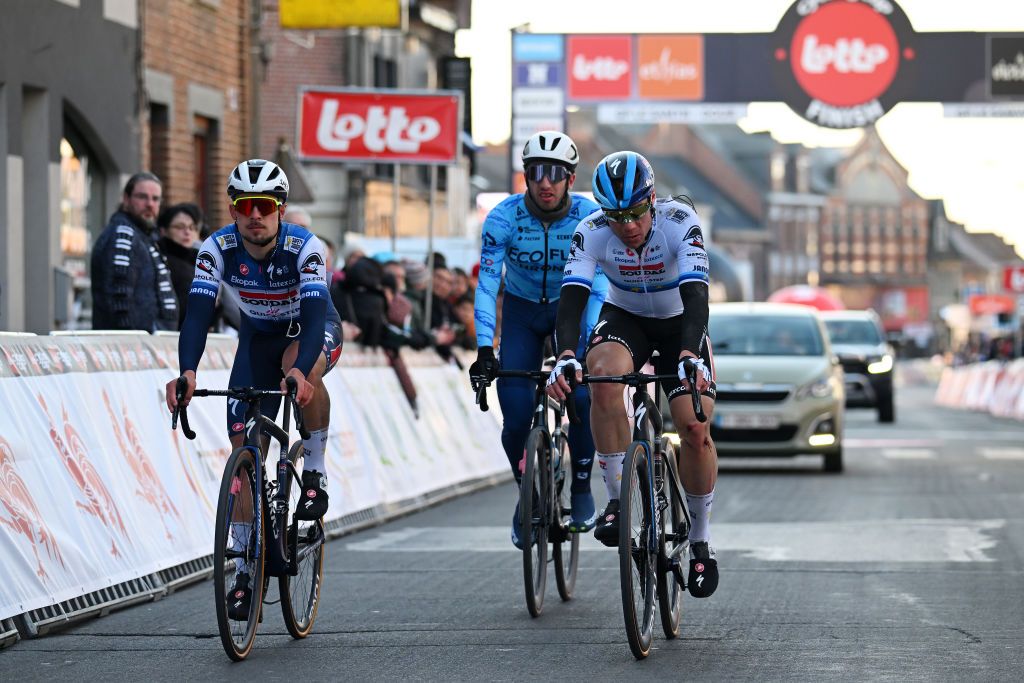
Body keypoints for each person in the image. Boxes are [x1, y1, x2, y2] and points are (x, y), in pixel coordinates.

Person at [163, 159, 343, 619]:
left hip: (308, 331)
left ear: (280, 208)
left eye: (265, 206)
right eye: (246, 206)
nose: (255, 215)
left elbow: (318, 312)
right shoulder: (216, 248)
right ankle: (244, 570)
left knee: (297, 369)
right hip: (257, 340)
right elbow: (198, 315)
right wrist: (188, 372)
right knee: (242, 450)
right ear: (233, 209)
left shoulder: (305, 247)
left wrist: (303, 371)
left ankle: (316, 468)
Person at [545, 151, 719, 598]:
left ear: (652, 200)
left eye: (636, 212)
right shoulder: (592, 233)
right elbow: (572, 299)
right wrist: (566, 353)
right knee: (601, 378)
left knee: (695, 426)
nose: (627, 225)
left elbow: (698, 295)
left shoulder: (680, 222)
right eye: (616, 215)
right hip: (626, 317)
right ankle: (619, 501)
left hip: (680, 321)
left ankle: (699, 538)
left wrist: (688, 352)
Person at [468, 130, 608, 549]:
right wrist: (482, 348)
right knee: (513, 414)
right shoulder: (503, 218)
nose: (545, 183)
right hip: (523, 313)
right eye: (535, 173)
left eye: (555, 173)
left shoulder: (590, 216)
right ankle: (527, 492)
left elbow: (598, 286)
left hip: (575, 308)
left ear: (570, 177)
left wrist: (592, 342)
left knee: (583, 399)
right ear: (525, 177)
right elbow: (487, 284)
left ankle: (581, 487)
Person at [91, 172, 179, 331]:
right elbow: (118, 299)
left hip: (146, 346)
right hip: (131, 349)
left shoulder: (142, 236)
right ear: (126, 199)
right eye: (142, 197)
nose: (150, 204)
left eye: (155, 199)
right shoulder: (123, 236)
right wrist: (135, 343)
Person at [156, 203, 202, 328]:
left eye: (192, 227)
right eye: (180, 227)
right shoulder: (160, 260)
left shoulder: (201, 260)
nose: (187, 232)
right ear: (164, 231)